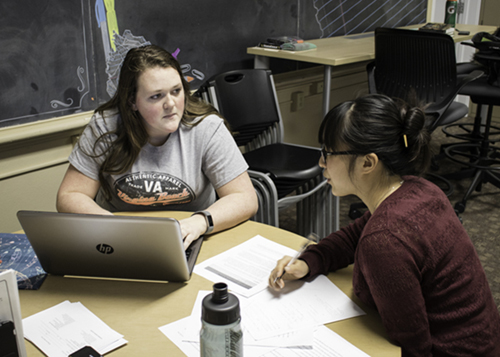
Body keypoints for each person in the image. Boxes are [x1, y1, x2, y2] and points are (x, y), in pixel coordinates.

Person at [268, 94, 500, 356]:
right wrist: (310, 261)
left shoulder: (385, 241)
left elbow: (413, 346)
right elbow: (352, 237)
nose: (321, 163)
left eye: (328, 153)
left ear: (368, 162)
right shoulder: (418, 189)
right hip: (484, 339)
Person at [57, 45, 258, 249]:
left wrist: (200, 221)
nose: (170, 104)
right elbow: (70, 195)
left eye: (176, 91)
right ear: (132, 102)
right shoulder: (105, 126)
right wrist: (112, 226)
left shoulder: (206, 127)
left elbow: (245, 198)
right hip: (119, 240)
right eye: (156, 96)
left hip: (190, 238)